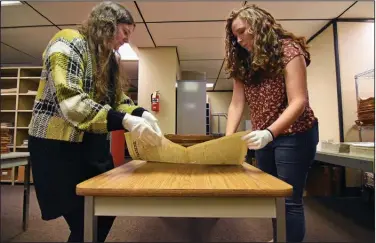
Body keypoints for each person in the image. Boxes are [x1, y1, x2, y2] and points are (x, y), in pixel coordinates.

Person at [27, 2, 163, 242]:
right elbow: (72, 103)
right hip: (58, 146)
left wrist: (141, 113)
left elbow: (117, 100)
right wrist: (124, 121)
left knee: (105, 208)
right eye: (125, 33)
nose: (125, 40)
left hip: (91, 144)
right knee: (83, 219)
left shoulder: (108, 59)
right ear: (108, 25)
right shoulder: (68, 42)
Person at [224, 4, 319, 243]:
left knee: (288, 198)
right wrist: (227, 140)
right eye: (234, 35)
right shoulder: (243, 60)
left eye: (242, 31)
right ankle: (281, 239)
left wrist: (270, 132)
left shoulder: (288, 50)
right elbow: (236, 103)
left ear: (258, 26)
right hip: (264, 135)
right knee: (273, 197)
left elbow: (299, 101)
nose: (238, 39)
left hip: (295, 134)